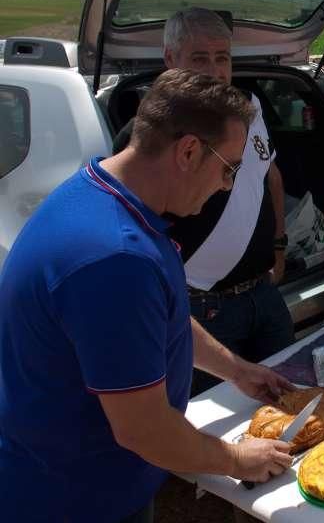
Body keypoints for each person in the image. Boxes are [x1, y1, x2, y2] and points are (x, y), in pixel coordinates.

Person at [0, 70, 296, 523]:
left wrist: (234, 369)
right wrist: (238, 459)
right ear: (189, 151)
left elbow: (161, 316)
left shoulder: (101, 189)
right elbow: (145, 430)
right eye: (230, 168)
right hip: (74, 499)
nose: (229, 185)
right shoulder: (116, 259)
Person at [113, 7, 293, 396]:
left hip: (263, 292)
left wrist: (279, 245)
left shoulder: (249, 110)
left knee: (291, 396)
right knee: (215, 416)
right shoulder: (148, 137)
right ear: (169, 60)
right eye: (200, 58)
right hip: (202, 311)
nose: (215, 70)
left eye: (222, 58)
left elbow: (270, 174)